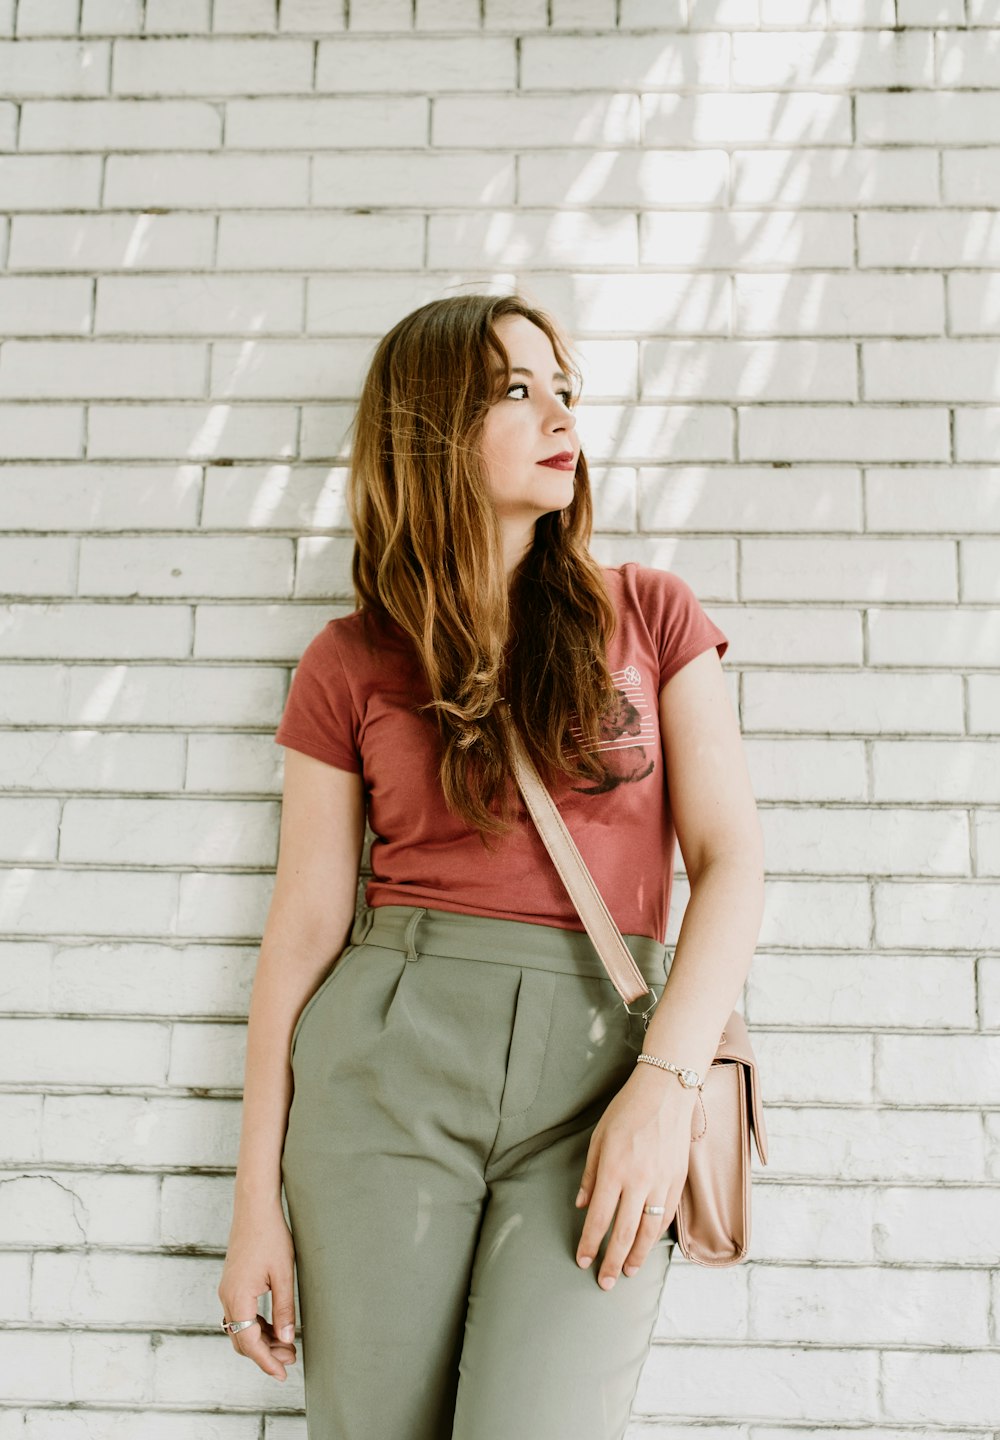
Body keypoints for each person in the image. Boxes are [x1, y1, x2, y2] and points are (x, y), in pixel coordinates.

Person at [217, 293, 765, 1440]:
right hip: (386, 1071)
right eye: (517, 389)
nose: (560, 410)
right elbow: (303, 930)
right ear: (430, 430)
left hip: (603, 1072)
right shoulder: (352, 657)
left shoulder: (651, 616)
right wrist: (251, 1205)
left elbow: (731, 864)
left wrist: (663, 1092)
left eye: (563, 384)